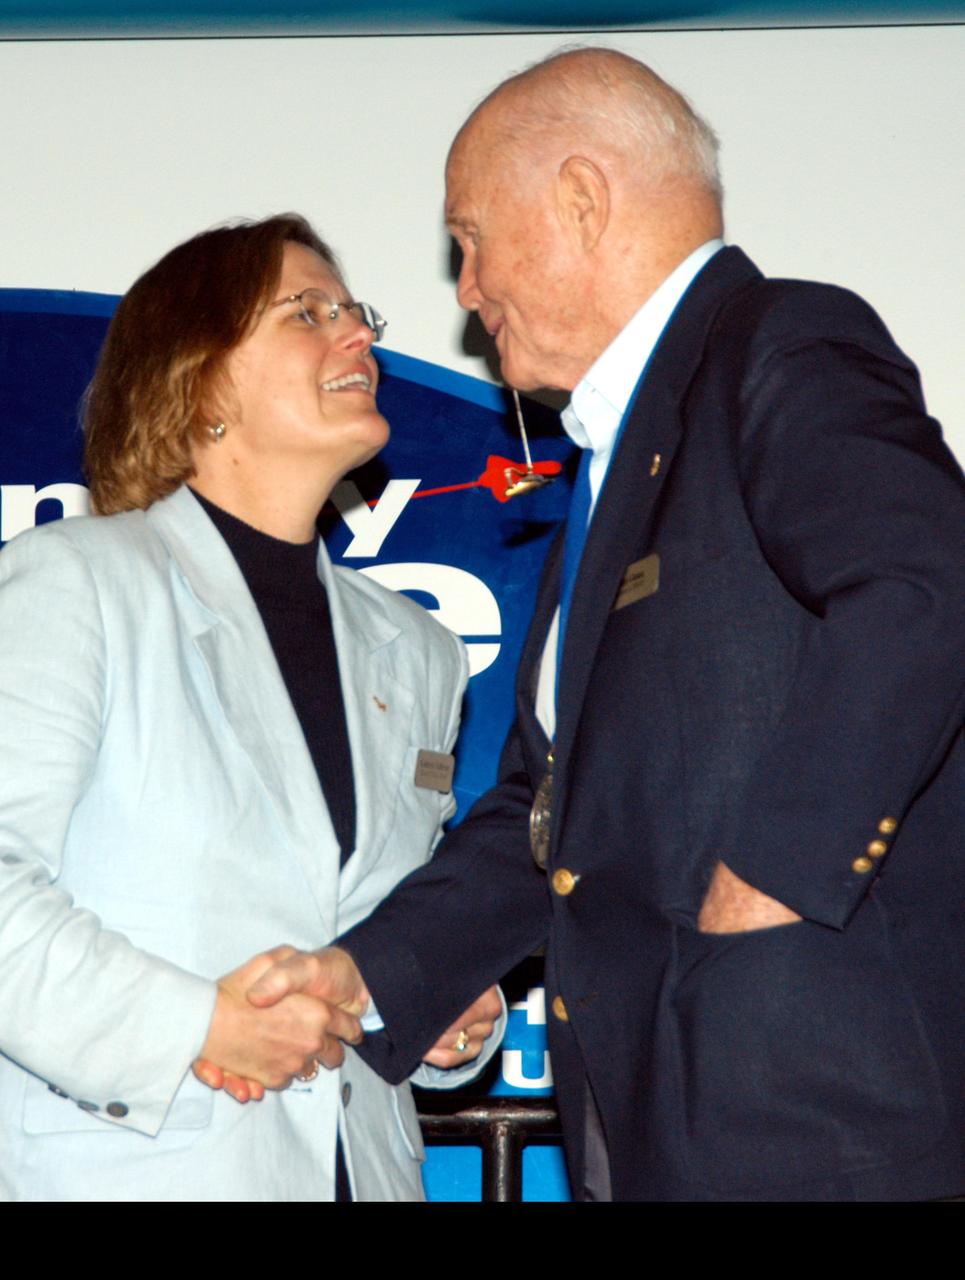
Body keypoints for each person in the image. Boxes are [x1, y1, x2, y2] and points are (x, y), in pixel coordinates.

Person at [214, 51, 965, 1201]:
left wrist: (766, 887)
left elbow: (926, 585)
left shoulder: (778, 342)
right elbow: (542, 812)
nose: (461, 288)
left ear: (578, 198)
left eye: (467, 237)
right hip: (670, 1130)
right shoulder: (610, 476)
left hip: (817, 1114)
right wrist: (361, 975)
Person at [0, 213, 502, 1202]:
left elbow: (370, 922)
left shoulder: (423, 650)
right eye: (306, 312)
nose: (357, 334)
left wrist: (429, 1004)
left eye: (353, 312)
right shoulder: (73, 582)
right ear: (199, 377)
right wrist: (197, 1022)